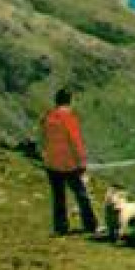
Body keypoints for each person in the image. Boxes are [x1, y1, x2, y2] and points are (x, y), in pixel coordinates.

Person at [39, 88, 98, 236]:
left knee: (58, 196)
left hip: (52, 162)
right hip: (68, 163)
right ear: (69, 100)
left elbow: (43, 138)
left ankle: (60, 227)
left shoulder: (49, 116)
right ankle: (90, 224)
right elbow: (75, 140)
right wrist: (82, 160)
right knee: (81, 193)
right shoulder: (69, 117)